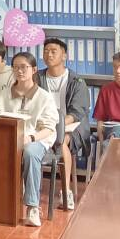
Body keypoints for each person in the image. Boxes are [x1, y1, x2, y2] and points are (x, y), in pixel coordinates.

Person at [0, 52, 60, 227]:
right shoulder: (4, 94)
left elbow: (49, 128)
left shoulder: (44, 97)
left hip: (36, 140)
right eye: (15, 67)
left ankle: (32, 207)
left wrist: (30, 138)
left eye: (24, 67)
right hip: (10, 139)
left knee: (30, 152)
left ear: (34, 70)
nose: (19, 71)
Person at [37, 37, 90, 209]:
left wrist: (56, 126)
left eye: (54, 51)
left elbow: (77, 112)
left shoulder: (76, 81)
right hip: (43, 124)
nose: (49, 55)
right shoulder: (37, 77)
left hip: (70, 126)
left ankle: (65, 192)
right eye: (46, 51)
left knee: (62, 141)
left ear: (64, 56)